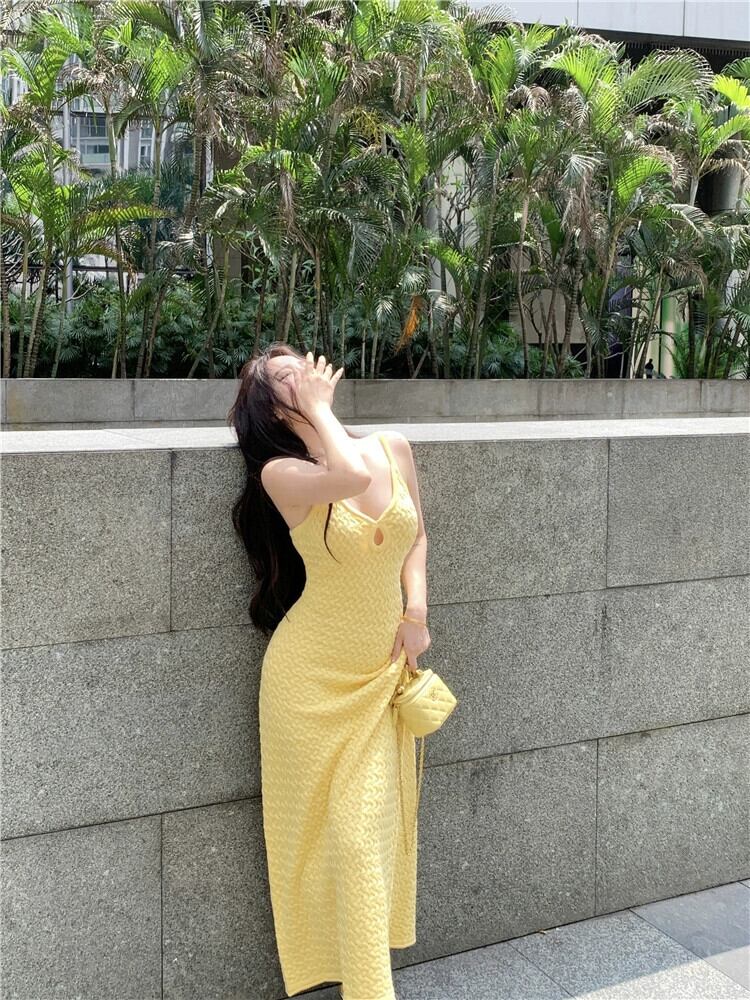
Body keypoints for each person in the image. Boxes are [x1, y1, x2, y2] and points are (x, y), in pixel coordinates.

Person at [228, 344, 430, 1000]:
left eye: (302, 363)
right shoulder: (282, 474)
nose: (306, 373)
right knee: (341, 840)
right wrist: (319, 413)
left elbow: (416, 536)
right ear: (272, 409)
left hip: (379, 674)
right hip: (309, 682)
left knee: (368, 833)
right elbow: (347, 480)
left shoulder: (393, 447)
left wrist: (417, 612)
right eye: (286, 376)